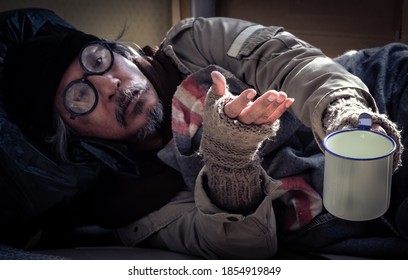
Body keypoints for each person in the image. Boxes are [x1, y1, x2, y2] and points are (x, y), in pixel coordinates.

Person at [1, 11, 407, 259]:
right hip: (358, 221)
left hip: (383, 91)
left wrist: (344, 115)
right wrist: (230, 158)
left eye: (98, 59)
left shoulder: (192, 44)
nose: (108, 85)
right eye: (79, 97)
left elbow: (285, 60)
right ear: (70, 134)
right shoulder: (131, 209)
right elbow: (244, 247)